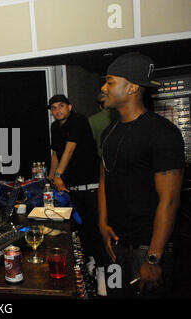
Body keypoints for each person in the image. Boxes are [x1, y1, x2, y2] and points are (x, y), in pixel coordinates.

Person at [98, 52, 185, 298]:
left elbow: (169, 201)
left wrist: (154, 258)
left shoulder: (162, 133)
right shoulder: (109, 132)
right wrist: (102, 224)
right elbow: (105, 177)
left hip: (147, 248)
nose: (104, 87)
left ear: (132, 87)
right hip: (115, 246)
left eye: (110, 81)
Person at [47, 94, 106, 278]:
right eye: (54, 108)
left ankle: (104, 272)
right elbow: (56, 154)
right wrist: (50, 180)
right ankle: (90, 265)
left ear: (70, 107)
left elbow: (69, 149)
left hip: (91, 186)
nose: (58, 110)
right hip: (72, 188)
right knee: (80, 232)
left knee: (96, 231)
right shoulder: (54, 127)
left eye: (61, 106)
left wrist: (58, 175)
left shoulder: (78, 121)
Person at [88, 92, 119, 158]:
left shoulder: (93, 119)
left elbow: (90, 141)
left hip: (103, 156)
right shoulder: (121, 116)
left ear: (100, 105)